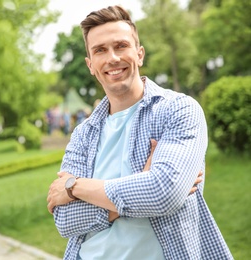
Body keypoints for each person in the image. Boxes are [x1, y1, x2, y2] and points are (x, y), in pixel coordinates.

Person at [47, 5, 232, 260]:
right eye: (100, 50)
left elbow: (164, 193)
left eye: (121, 46)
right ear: (90, 65)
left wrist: (74, 187)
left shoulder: (178, 110)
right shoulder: (83, 134)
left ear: (140, 54)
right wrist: (141, 184)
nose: (112, 58)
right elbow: (66, 220)